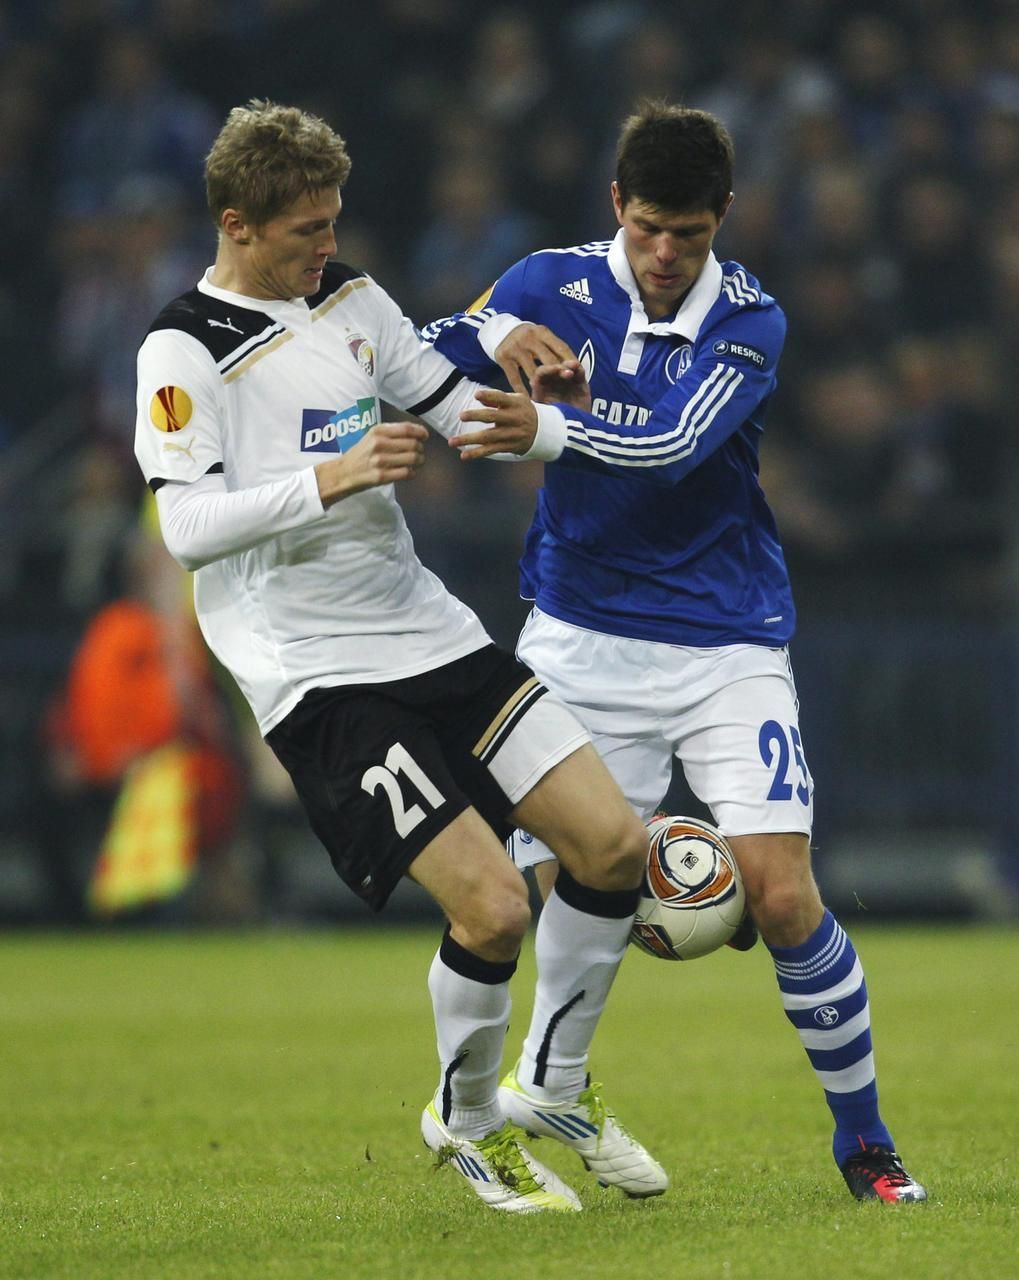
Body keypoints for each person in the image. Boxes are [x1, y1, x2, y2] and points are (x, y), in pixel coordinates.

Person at [132, 99, 667, 1214]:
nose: (323, 245)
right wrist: (329, 478)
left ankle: (555, 1085)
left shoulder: (354, 298)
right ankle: (465, 1122)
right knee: (492, 909)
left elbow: (442, 399)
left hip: (427, 629)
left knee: (611, 844)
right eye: (300, 231)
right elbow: (184, 526)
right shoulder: (183, 348)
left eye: (331, 222)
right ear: (235, 221)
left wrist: (525, 407)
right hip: (315, 671)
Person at [426, 101, 927, 1204]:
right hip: (575, 634)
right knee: (567, 879)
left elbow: (664, 444)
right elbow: (426, 351)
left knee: (784, 895)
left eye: (688, 234)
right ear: (616, 205)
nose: (664, 256)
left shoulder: (751, 320)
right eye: (648, 227)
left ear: (721, 222)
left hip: (724, 640)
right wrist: (489, 338)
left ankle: (866, 1148)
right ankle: (555, 1080)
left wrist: (544, 427)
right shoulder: (544, 282)